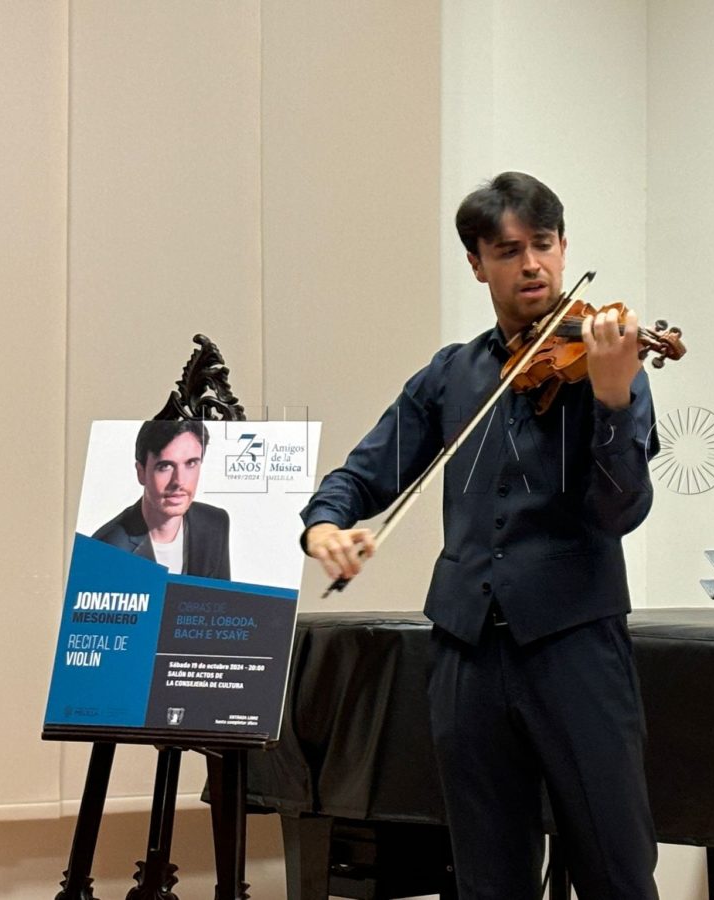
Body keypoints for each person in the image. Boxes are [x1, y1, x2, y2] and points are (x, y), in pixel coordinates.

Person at [301, 172, 660, 898]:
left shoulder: (606, 364)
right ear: (476, 263)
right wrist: (324, 524)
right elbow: (366, 470)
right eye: (507, 250)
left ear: (564, 249)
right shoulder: (451, 375)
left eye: (543, 245)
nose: (531, 264)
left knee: (615, 867)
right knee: (486, 877)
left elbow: (621, 511)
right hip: (465, 649)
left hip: (574, 643)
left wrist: (613, 397)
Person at [93, 419, 231, 579]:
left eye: (191, 463)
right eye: (165, 466)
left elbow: (223, 595)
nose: (179, 481)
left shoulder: (215, 524)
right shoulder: (106, 549)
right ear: (141, 472)